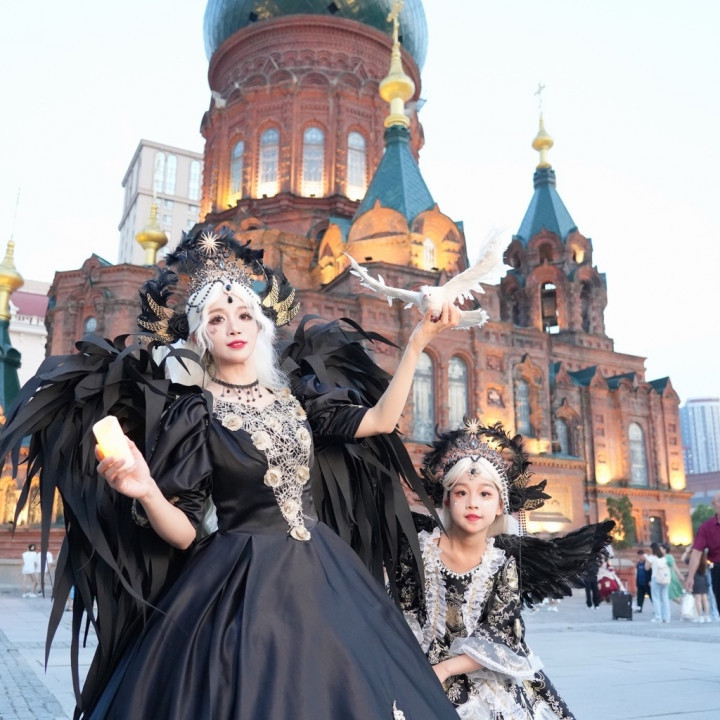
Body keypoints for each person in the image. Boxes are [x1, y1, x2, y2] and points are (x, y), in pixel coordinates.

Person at [0, 224, 463, 720]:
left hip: (325, 574)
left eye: (244, 315)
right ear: (200, 335)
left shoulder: (298, 397)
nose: (234, 327)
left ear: (261, 325)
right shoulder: (195, 414)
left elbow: (380, 420)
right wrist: (147, 490)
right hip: (241, 583)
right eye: (217, 319)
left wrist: (418, 341)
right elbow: (184, 533)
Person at [394, 418, 613, 719]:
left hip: (482, 669)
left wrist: (445, 669)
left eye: (485, 494)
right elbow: (401, 610)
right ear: (447, 500)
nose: (473, 503)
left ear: (500, 505)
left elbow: (500, 632)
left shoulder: (501, 562)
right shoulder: (420, 549)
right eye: (461, 493)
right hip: (417, 666)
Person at [685, 492, 720, 612]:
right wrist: (690, 577)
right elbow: (696, 553)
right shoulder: (706, 527)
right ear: (714, 504)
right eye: (719, 501)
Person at [646, 542, 671, 623]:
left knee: (656, 598)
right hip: (665, 579)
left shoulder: (651, 557)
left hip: (656, 578)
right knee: (665, 598)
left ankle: (658, 617)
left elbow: (646, 568)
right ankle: (666, 617)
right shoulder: (663, 557)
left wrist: (647, 559)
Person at [691, 551, 711, 623]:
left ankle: (700, 617)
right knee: (705, 599)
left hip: (696, 580)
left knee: (698, 599)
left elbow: (683, 558)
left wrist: (687, 551)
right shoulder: (705, 562)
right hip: (704, 580)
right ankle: (707, 616)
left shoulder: (693, 561)